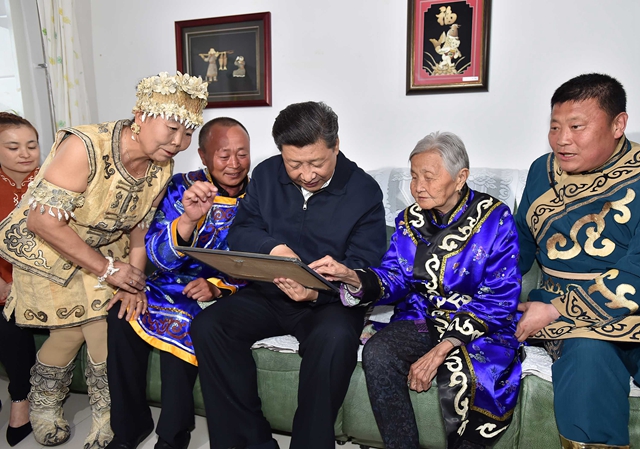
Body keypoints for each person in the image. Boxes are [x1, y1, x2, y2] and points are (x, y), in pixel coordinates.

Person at [0, 71, 208, 448]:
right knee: (67, 332)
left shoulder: (161, 164)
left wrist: (134, 283)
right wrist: (110, 270)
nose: (179, 142)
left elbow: (140, 226)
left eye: (188, 132)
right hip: (49, 245)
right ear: (141, 115)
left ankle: (107, 416)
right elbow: (42, 221)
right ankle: (44, 404)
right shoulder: (84, 146)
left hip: (104, 248)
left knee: (102, 324)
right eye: (173, 129)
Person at [190, 101, 387, 449]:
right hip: (270, 293)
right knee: (210, 326)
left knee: (334, 339)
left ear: (336, 146)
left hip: (329, 304)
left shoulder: (363, 191)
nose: (307, 174)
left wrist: (318, 292)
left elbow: (365, 265)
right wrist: (273, 249)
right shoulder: (267, 176)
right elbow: (241, 231)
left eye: (317, 163)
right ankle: (250, 443)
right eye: (294, 164)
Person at [313, 131, 523, 449]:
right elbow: (395, 277)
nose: (418, 186)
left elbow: (500, 295)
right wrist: (353, 277)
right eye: (413, 176)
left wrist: (443, 349)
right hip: (424, 319)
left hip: (480, 324)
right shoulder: (409, 220)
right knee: (379, 352)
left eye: (429, 176)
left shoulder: (495, 219)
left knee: (472, 375)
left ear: (460, 177)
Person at [106, 117, 251, 449]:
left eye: (242, 154)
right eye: (224, 155)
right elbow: (157, 257)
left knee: (185, 320)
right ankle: (128, 428)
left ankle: (173, 436)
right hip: (167, 281)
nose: (234, 163)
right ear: (203, 155)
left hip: (218, 291)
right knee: (120, 315)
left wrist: (217, 286)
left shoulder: (260, 197)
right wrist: (187, 219)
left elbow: (259, 263)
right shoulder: (180, 187)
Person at [515, 73, 640, 449]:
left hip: (627, 306)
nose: (562, 139)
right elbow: (519, 246)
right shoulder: (542, 171)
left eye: (576, 126)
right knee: (590, 354)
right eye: (555, 127)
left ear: (618, 125)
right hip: (569, 321)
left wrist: (555, 309)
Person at [0, 112, 40, 446]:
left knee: (8, 317)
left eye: (32, 145)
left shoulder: (54, 181)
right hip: (3, 279)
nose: (25, 154)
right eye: (13, 147)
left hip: (45, 279)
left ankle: (20, 400)